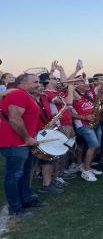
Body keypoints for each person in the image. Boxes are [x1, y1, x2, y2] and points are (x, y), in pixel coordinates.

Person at [0, 73, 45, 216]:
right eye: (35, 82)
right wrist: (27, 137)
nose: (38, 84)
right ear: (23, 83)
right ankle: (15, 208)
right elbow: (14, 118)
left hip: (24, 142)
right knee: (14, 176)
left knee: (25, 173)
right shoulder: (19, 95)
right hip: (16, 143)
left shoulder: (26, 95)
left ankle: (26, 199)